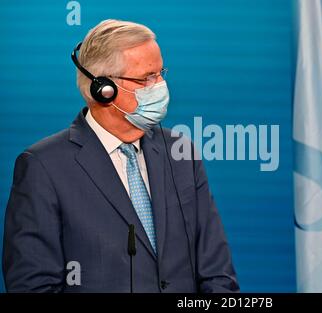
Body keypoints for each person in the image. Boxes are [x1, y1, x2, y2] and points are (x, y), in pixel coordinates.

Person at [2, 19, 239, 293]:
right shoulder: (43, 167)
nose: (160, 85)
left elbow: (218, 275)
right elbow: (33, 286)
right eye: (147, 78)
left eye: (161, 73)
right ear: (104, 89)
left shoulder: (182, 153)